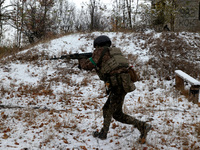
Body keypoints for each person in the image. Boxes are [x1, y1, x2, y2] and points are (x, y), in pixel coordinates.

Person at [78, 35, 151, 144]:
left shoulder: (99, 51)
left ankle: (105, 133)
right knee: (116, 113)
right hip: (123, 83)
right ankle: (141, 126)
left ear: (98, 44)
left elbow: (88, 65)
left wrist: (81, 61)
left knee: (108, 109)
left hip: (117, 85)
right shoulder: (114, 51)